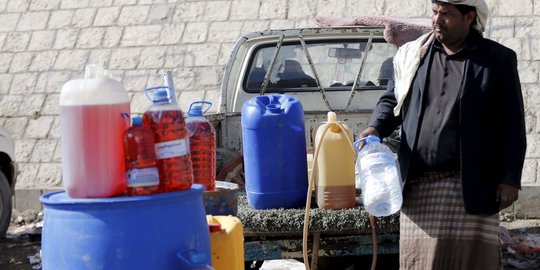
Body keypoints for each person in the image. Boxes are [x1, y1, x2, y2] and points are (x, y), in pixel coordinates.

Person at [359, 0, 526, 269]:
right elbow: (392, 102)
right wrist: (374, 128)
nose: (437, 20)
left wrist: (509, 179)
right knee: (421, 263)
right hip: (419, 185)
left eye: (446, 14)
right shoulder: (412, 55)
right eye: (435, 12)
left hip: (470, 183)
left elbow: (512, 122)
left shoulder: (496, 59)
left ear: (469, 17)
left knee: (471, 262)